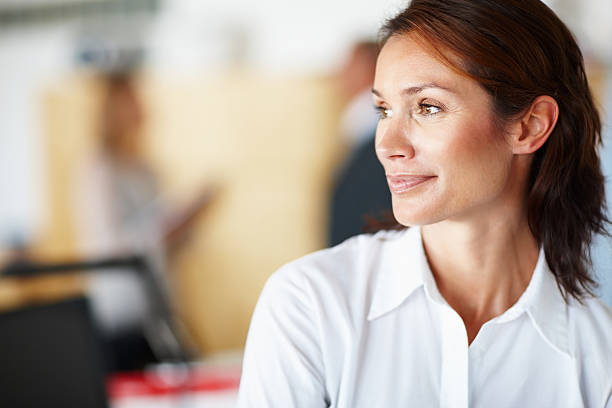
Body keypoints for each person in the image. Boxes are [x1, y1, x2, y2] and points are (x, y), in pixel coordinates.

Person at [238, 0, 612, 407]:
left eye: (427, 107)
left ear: (529, 125)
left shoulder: (598, 354)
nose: (387, 145)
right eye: (383, 109)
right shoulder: (311, 306)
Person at [329, 41, 392, 246]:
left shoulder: (369, 125)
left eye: (349, 65)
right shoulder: (356, 126)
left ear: (371, 68)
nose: (341, 73)